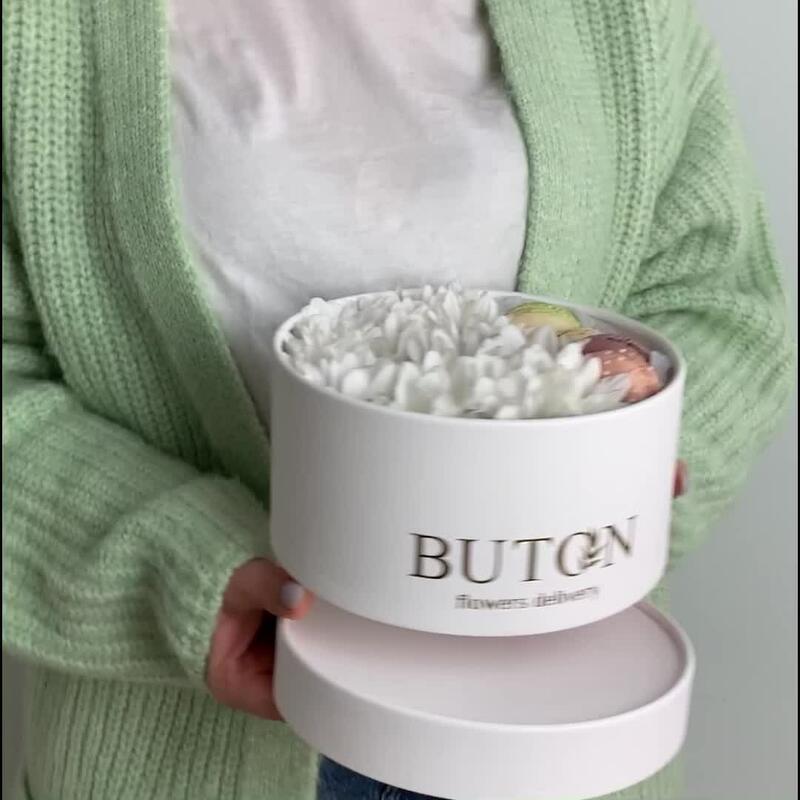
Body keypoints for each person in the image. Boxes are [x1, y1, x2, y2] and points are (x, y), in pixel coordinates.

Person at [2, 1, 793, 799]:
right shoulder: (38, 29)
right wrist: (174, 571)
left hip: (564, 722)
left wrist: (626, 474)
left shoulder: (620, 16)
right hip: (178, 744)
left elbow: (718, 295)